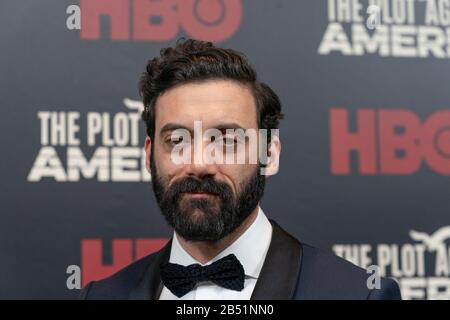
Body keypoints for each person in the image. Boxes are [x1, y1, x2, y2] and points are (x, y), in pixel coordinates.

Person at [80, 39, 401, 300]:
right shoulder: (101, 296)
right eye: (177, 140)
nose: (199, 164)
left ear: (269, 154)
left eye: (227, 140)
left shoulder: (357, 295)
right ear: (150, 155)